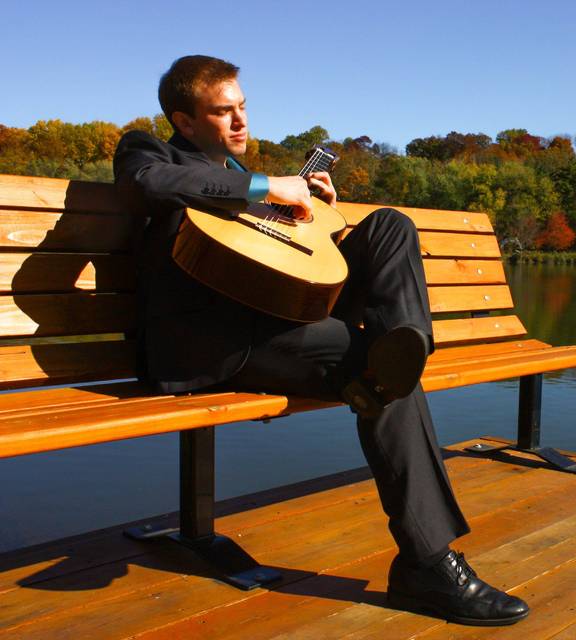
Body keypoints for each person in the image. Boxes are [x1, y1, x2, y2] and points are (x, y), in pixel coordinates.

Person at [113, 55, 529, 626]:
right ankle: (426, 564)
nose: (240, 122)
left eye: (243, 107)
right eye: (222, 112)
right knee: (378, 375)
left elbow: (296, 264)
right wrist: (266, 184)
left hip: (287, 320)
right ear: (184, 123)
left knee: (389, 227)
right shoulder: (151, 153)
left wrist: (321, 217)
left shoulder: (258, 191)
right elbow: (151, 184)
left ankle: (404, 343)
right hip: (218, 346)